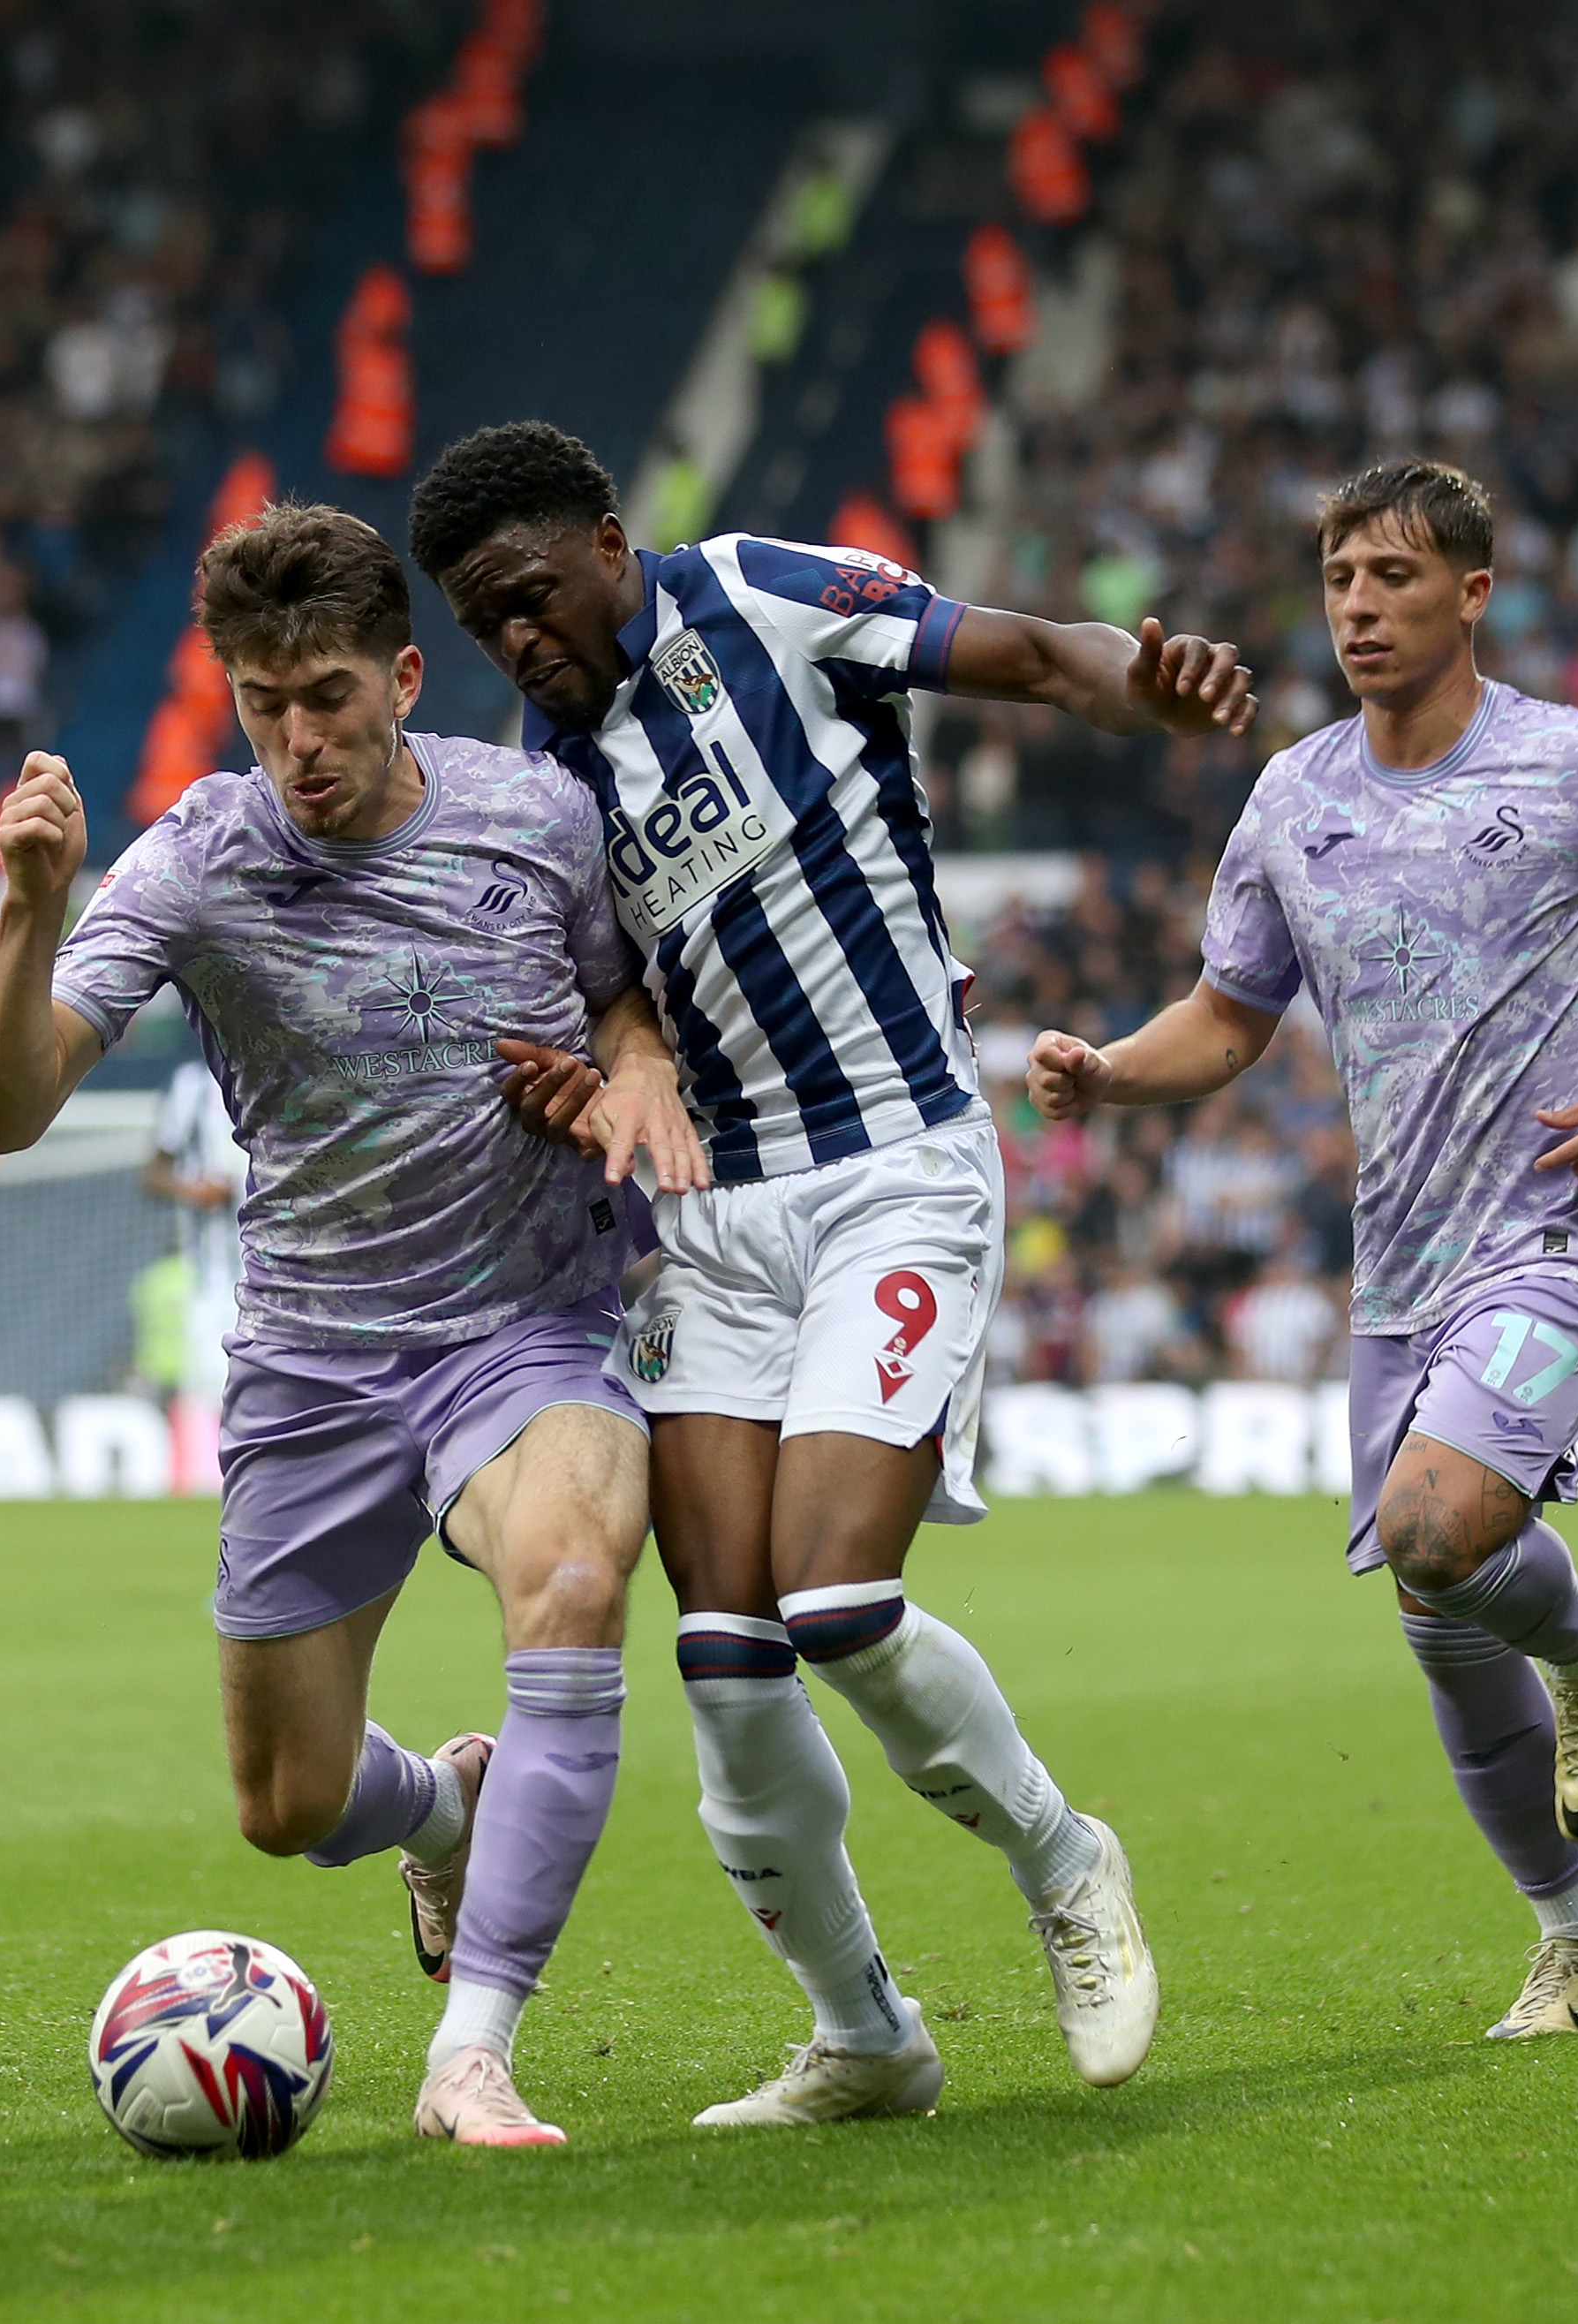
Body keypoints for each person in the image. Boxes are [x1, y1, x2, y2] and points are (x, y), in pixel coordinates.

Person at [410, 420, 1254, 2121]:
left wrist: (1135, 686)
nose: (516, 639)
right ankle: (864, 2032)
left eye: (526, 595)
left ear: (603, 539)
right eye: (479, 619)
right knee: (724, 1658)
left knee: (838, 1599)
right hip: (716, 1225)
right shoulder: (548, 776)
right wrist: (603, 1073)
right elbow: (605, 988)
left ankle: (1064, 1857)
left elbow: (1018, 649)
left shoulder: (765, 599)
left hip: (897, 1166)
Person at [0, 502, 706, 2146]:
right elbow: (5, 1112)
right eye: (263, 701)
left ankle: (475, 2050)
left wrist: (634, 1066)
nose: (300, 738)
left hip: (530, 1324)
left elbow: (618, 997)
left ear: (404, 676)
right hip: (313, 1357)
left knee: (577, 1574)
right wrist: (29, 910)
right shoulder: (198, 857)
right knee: (288, 1805)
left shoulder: (535, 818)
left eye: (330, 696)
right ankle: (442, 1808)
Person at [1024, 458, 1578, 2039]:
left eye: (1391, 576)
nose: (1360, 607)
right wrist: (1110, 1068)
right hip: (1401, 1270)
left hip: (1559, 1234)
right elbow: (1230, 1018)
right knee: (1438, 1621)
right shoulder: (1293, 796)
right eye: (1339, 579)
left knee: (1438, 1529)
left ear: (1473, 594)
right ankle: (1574, 1936)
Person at [142, 1057, 248, 1411]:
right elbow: (154, 1172)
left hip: (279, 1274)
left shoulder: (284, 1071)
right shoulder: (192, 1086)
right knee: (214, 1398)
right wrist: (192, 1190)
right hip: (210, 1278)